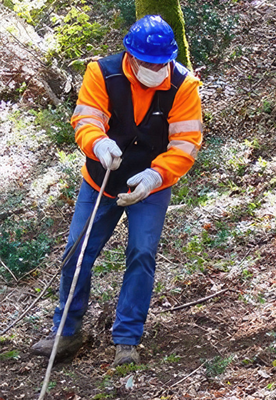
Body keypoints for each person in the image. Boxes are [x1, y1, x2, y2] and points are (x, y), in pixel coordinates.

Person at [31, 15, 203, 366]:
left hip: (151, 184)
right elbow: (87, 119)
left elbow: (186, 142)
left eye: (160, 64)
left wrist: (155, 176)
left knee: (142, 254)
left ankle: (127, 339)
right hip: (101, 179)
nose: (154, 69)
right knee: (77, 253)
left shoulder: (184, 85)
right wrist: (98, 144)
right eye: (147, 63)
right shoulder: (102, 73)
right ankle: (67, 332)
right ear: (131, 56)